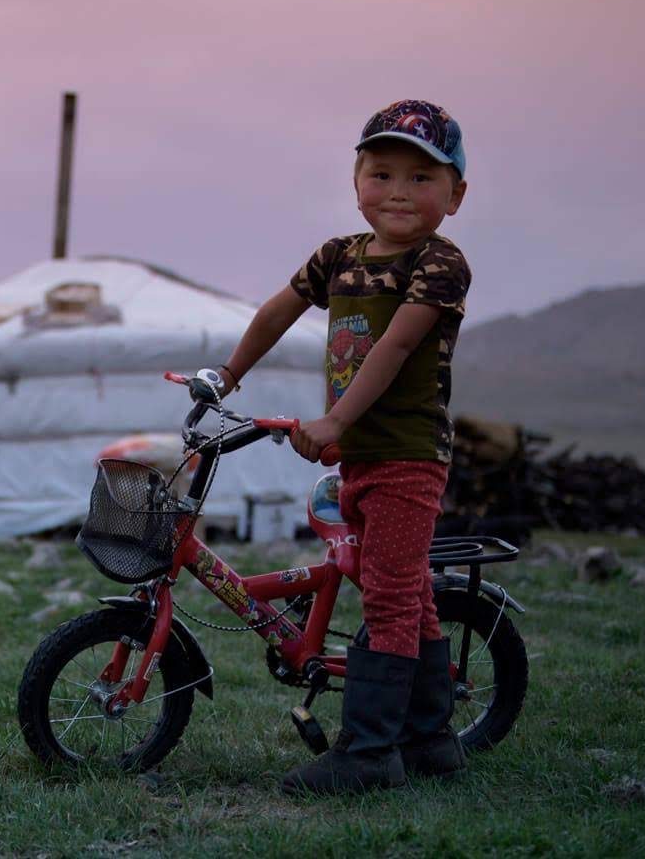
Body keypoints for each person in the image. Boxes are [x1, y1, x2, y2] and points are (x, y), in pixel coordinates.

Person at [214, 98, 471, 795]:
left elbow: (394, 347)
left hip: (407, 455)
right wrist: (228, 374)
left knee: (387, 598)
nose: (398, 192)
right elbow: (279, 309)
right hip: (360, 455)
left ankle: (368, 752)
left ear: (455, 195)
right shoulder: (338, 256)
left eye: (421, 178)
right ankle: (430, 740)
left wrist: (333, 423)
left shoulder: (439, 262)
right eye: (381, 174)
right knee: (407, 594)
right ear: (356, 182)